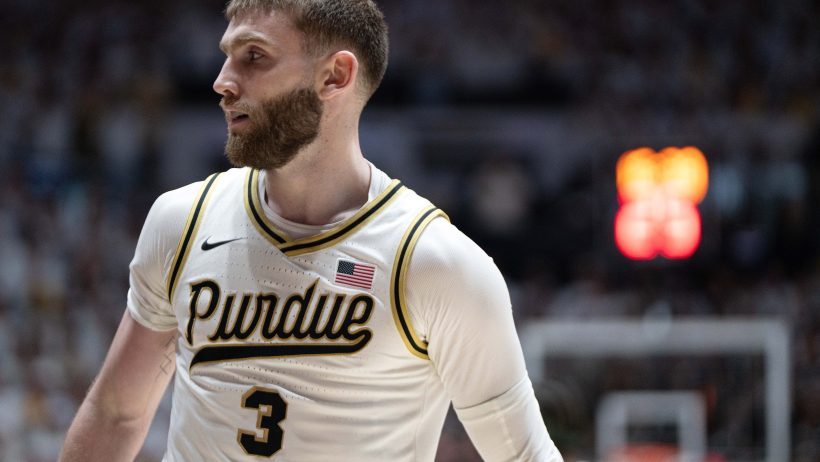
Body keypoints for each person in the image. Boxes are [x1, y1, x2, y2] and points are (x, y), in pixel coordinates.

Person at [59, 1, 563, 460]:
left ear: (335, 76)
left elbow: (524, 454)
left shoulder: (436, 263)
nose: (222, 80)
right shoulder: (182, 220)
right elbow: (115, 415)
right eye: (226, 55)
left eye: (253, 57)